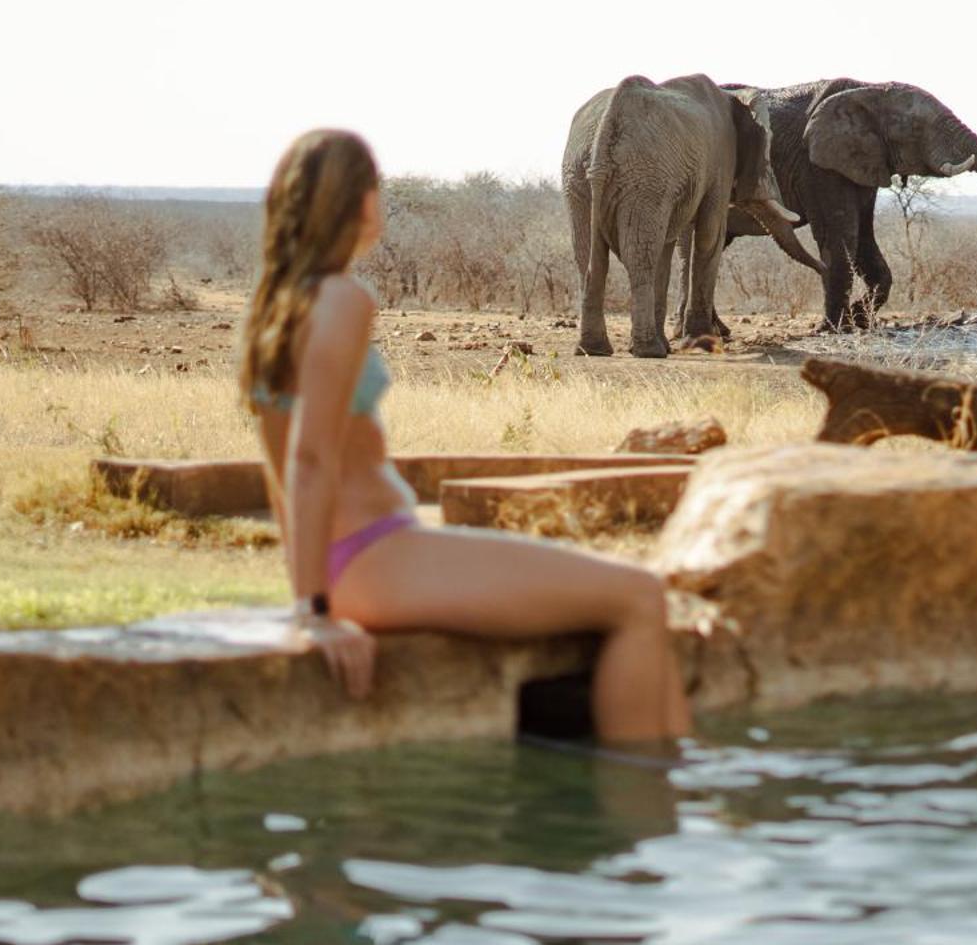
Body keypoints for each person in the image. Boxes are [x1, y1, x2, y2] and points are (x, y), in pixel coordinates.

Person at [240, 128, 691, 744]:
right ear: (361, 202)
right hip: (377, 560)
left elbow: (281, 465)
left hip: (356, 562)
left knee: (632, 599)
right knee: (639, 598)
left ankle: (671, 781)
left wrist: (310, 587)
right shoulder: (342, 300)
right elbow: (309, 458)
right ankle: (651, 810)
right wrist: (313, 613)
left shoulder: (272, 310)